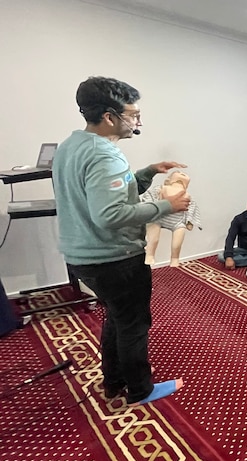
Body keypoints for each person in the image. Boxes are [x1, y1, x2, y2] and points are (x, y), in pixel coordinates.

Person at [55, 76, 186, 405]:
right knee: (133, 324)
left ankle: (113, 381)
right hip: (114, 258)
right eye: (134, 114)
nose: (137, 121)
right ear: (110, 116)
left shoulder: (71, 146)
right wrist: (166, 206)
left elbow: (100, 196)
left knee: (116, 317)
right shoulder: (105, 155)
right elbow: (110, 215)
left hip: (83, 256)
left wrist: (146, 173)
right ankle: (141, 389)